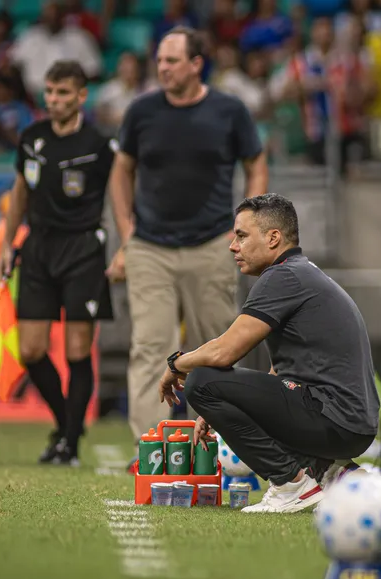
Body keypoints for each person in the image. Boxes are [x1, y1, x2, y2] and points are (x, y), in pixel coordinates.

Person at [106, 25, 269, 462]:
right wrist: (127, 234)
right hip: (151, 249)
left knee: (215, 349)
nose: (162, 67)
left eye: (172, 60)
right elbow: (121, 170)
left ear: (197, 64)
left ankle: (213, 448)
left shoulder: (230, 110)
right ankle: (149, 451)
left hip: (212, 246)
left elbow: (256, 162)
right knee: (149, 349)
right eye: (159, 60)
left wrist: (247, 227)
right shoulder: (141, 111)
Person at [158, 194, 380, 514]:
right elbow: (283, 373)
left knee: (202, 380)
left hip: (333, 418)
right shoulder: (301, 272)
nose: (233, 246)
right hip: (352, 424)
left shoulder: (282, 276)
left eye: (242, 235)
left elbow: (224, 352)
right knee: (214, 385)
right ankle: (332, 473)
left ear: (273, 238)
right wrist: (227, 408)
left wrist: (176, 364)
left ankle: (291, 484)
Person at [0, 60, 116, 467]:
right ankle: (68, 424)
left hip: (83, 248)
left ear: (82, 96)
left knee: (77, 349)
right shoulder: (31, 137)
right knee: (30, 349)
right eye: (49, 92)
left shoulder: (100, 144)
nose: (54, 100)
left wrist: (125, 245)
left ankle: (68, 442)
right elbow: (19, 193)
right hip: (37, 249)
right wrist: (6, 245)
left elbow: (120, 193)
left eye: (63, 92)